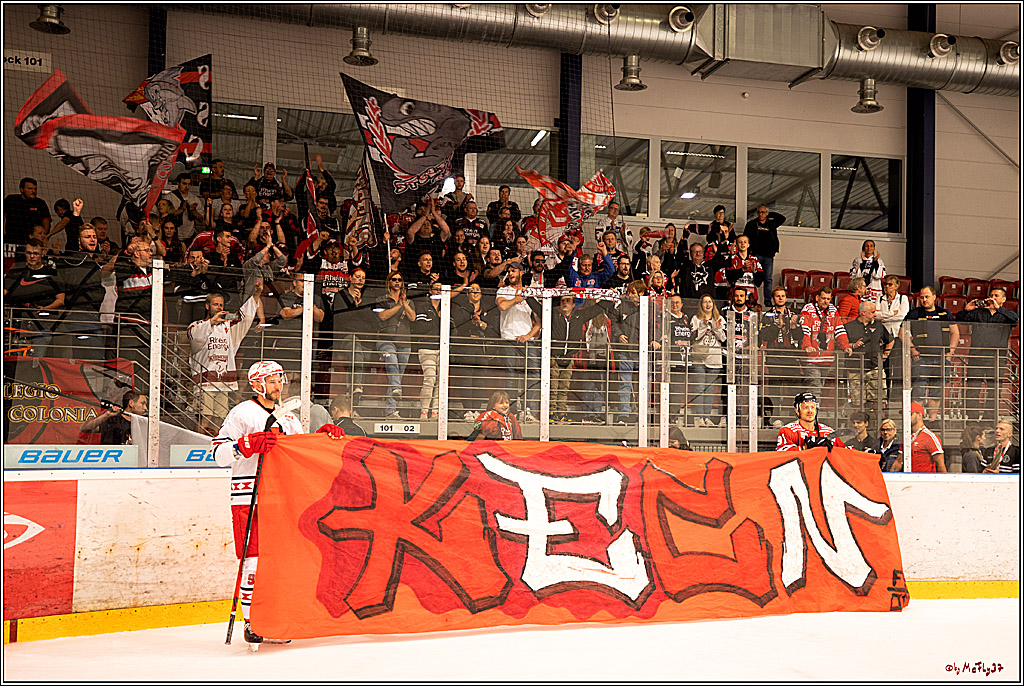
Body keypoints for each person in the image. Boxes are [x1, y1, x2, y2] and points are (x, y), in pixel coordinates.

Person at [211, 361, 343, 647]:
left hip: (282, 499)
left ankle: (274, 616)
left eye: (279, 379)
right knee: (254, 561)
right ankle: (253, 622)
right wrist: (244, 445)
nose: (278, 385)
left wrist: (324, 438)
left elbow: (302, 452)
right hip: (249, 498)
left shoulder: (290, 419)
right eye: (271, 380)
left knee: (281, 562)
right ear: (256, 384)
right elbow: (218, 453)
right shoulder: (242, 413)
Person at [186, 290, 260, 433]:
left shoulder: (229, 327)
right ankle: (196, 443)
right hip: (205, 382)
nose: (219, 307)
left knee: (219, 419)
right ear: (207, 306)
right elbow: (194, 337)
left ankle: (213, 444)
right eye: (215, 304)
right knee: (205, 417)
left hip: (223, 383)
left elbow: (243, 318)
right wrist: (211, 322)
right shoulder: (197, 325)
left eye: (221, 305)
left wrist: (256, 295)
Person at [954, 287, 1018, 422]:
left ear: (1003, 299)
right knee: (972, 389)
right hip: (977, 356)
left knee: (993, 391)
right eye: (991, 295)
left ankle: (989, 420)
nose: (993, 298)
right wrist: (966, 310)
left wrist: (999, 309)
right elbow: (960, 319)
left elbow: (1015, 320)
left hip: (996, 358)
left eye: (996, 296)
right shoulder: (979, 313)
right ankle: (972, 419)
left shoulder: (1006, 315)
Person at [901, 285, 959, 421]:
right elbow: (901, 333)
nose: (924, 300)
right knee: (918, 390)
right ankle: (916, 421)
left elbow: (955, 332)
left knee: (937, 391)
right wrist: (913, 349)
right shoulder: (914, 314)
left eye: (927, 297)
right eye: (921, 297)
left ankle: (932, 420)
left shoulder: (945, 314)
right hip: (921, 359)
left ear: (934, 297)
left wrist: (950, 352)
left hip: (941, 358)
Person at [496, 262, 541, 422]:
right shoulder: (503, 290)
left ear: (521, 272)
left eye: (513, 271)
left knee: (534, 374)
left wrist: (529, 335)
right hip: (509, 338)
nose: (510, 274)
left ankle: (529, 410)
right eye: (509, 271)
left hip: (527, 341)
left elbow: (540, 320)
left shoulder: (529, 293)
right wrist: (517, 299)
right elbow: (502, 306)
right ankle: (512, 411)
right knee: (511, 376)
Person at [4, 240, 65, 358]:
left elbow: (61, 300)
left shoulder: (51, 273)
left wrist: (45, 308)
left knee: (38, 361)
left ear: (42, 254)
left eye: (35, 253)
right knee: (15, 360)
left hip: (42, 326)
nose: (32, 256)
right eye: (29, 253)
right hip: (18, 325)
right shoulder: (16, 272)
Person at [550, 294, 605, 423]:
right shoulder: (553, 315)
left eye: (568, 301)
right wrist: (526, 294)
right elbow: (537, 308)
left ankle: (561, 413)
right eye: (563, 301)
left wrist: (611, 296)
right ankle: (551, 413)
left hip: (569, 358)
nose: (565, 303)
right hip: (554, 357)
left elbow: (597, 308)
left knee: (564, 388)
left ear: (574, 304)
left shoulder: (578, 316)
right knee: (552, 387)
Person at [759, 286, 802, 427]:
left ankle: (794, 418)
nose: (780, 298)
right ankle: (774, 418)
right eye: (777, 296)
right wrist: (777, 326)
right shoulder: (768, 316)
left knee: (794, 388)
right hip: (774, 355)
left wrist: (795, 327)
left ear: (786, 298)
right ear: (773, 299)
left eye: (783, 296)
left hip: (791, 355)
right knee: (775, 390)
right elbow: (763, 336)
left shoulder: (794, 314)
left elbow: (801, 336)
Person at [799, 287, 851, 404]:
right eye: (823, 298)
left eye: (828, 299)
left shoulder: (833, 310)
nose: (826, 301)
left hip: (827, 358)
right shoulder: (808, 309)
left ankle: (811, 411)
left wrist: (845, 346)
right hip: (811, 358)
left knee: (819, 387)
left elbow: (839, 329)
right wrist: (806, 346)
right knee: (814, 386)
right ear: (817, 298)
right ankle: (813, 414)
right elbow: (804, 330)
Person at [842, 301, 894, 418]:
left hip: (874, 368)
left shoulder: (878, 325)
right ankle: (860, 427)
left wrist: (885, 355)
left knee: (879, 400)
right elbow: (841, 344)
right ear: (863, 313)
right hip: (855, 369)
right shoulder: (849, 327)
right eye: (873, 312)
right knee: (858, 403)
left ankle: (882, 425)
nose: (875, 315)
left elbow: (890, 341)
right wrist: (852, 346)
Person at [375, 270, 415, 419]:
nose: (397, 282)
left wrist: (404, 303)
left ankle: (391, 411)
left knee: (396, 375)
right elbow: (382, 316)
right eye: (394, 279)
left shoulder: (409, 302)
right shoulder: (381, 299)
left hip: (404, 342)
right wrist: (398, 306)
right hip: (386, 339)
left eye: (399, 279)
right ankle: (397, 390)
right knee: (392, 366)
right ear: (389, 282)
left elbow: (412, 317)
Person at [689, 294, 727, 427]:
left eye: (709, 302)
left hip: (714, 359)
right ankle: (699, 416)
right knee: (700, 387)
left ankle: (707, 417)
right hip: (699, 358)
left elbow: (723, 338)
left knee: (710, 389)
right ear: (701, 305)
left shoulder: (720, 319)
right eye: (705, 302)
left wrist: (715, 327)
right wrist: (704, 326)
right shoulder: (696, 318)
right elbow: (694, 337)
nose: (707, 304)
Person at [875, 274, 910, 402]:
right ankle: (885, 397)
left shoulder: (903, 298)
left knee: (899, 367)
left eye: (890, 285)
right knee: (885, 367)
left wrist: (885, 315)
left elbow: (902, 315)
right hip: (883, 337)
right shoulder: (880, 298)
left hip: (898, 336)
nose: (887, 287)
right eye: (885, 284)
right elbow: (876, 316)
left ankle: (897, 397)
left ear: (896, 286)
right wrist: (891, 314)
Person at [742, 204, 785, 303]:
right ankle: (751, 300)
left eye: (763, 212)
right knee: (754, 277)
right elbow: (745, 238)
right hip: (756, 255)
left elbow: (782, 218)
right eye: (759, 212)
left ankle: (767, 301)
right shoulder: (752, 224)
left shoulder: (771, 223)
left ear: (767, 213)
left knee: (768, 279)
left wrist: (769, 215)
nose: (760, 214)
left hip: (769, 255)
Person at [776, 392, 847, 451]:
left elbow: (844, 453)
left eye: (812, 407)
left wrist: (830, 450)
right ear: (797, 411)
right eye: (805, 407)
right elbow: (782, 455)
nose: (810, 411)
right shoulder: (788, 431)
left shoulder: (828, 432)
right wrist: (805, 448)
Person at [890, 402, 945, 473]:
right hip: (908, 480)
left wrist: (944, 483)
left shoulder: (930, 437)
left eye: (910, 414)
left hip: (924, 481)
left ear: (919, 415)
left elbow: (940, 464)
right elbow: (898, 462)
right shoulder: (907, 436)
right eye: (904, 415)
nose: (906, 417)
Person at [80, 390, 147, 445]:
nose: (145, 408)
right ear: (131, 403)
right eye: (142, 403)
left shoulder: (145, 424)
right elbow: (84, 428)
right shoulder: (112, 420)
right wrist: (105, 415)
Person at [713, 235, 763, 305]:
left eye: (745, 242)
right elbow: (730, 278)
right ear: (736, 245)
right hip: (735, 298)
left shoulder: (754, 260)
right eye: (740, 242)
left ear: (748, 245)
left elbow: (759, 283)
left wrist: (755, 272)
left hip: (751, 298)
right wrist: (742, 270)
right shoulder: (731, 259)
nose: (742, 244)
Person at [4, 177, 50, 246]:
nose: (33, 191)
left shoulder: (40, 203)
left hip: (33, 243)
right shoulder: (11, 200)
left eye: (35, 189)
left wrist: (42, 237)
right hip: (12, 240)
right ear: (21, 189)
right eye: (30, 189)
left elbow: (46, 223)